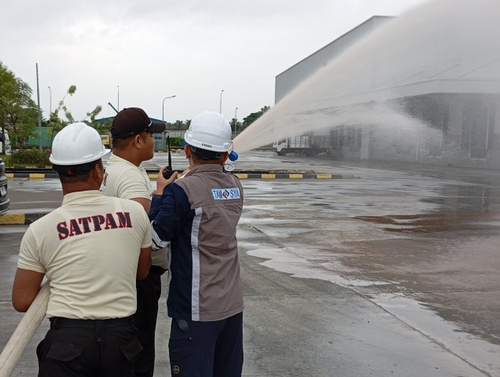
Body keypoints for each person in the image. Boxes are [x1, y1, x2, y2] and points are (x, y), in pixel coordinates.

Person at [12, 122, 152, 376]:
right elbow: (142, 272)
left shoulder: (41, 230)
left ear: (58, 172)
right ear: (99, 170)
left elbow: (22, 301)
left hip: (67, 345)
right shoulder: (135, 213)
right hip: (121, 344)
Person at [149, 111, 244, 377]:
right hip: (232, 308)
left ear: (187, 150)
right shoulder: (236, 185)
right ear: (225, 155)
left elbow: (155, 240)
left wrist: (160, 195)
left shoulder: (181, 191)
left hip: (197, 311)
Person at [101, 107, 167, 377]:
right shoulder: (129, 175)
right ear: (138, 140)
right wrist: (162, 196)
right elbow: (139, 217)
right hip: (137, 278)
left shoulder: (111, 167)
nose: (155, 141)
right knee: (138, 354)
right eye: (151, 135)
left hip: (117, 274)